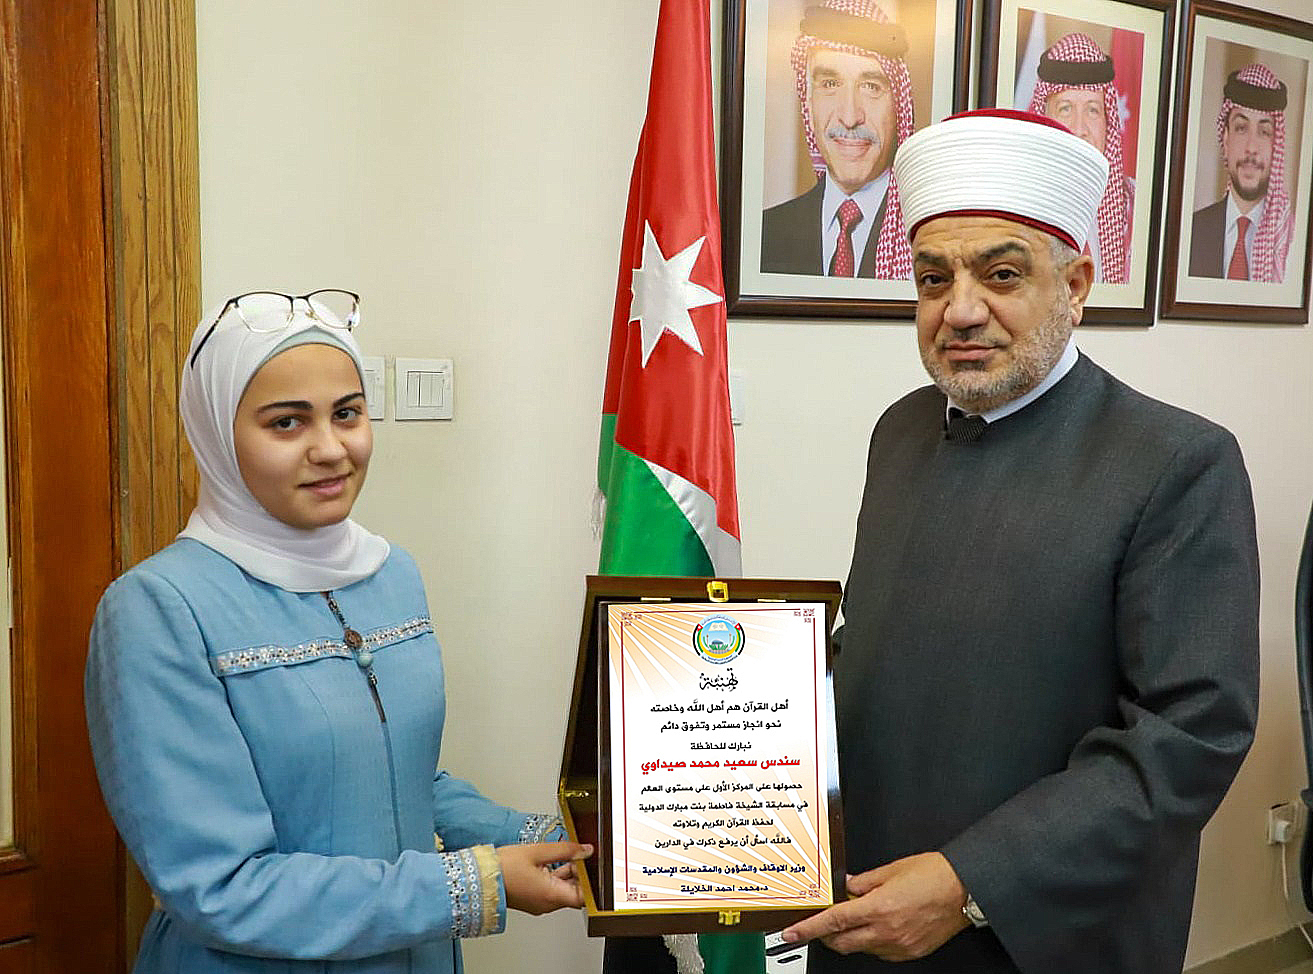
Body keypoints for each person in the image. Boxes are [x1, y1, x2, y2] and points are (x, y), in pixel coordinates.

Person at [780, 110, 1259, 972]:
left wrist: (970, 882)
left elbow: (1191, 736)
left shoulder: (1177, 460)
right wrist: (732, 718)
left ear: (1074, 285)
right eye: (933, 280)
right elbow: (878, 644)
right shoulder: (901, 429)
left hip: (1043, 928)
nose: (960, 311)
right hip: (865, 904)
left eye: (1001, 274)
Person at [85, 291, 590, 973]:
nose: (330, 449)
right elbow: (218, 888)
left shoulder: (390, 573)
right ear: (217, 436)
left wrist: (560, 837)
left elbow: (397, 780)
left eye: (347, 413)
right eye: (286, 422)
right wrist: (474, 885)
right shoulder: (160, 608)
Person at [760, 0, 914, 279]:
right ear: (808, 102)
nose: (850, 117)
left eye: (871, 87)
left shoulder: (923, 236)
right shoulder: (766, 235)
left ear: (898, 107)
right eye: (830, 84)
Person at [1027, 32, 1133, 284]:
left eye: (1093, 110)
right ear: (1043, 119)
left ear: (1108, 122)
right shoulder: (1021, 202)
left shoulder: (1133, 206)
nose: (1079, 129)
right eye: (1065, 109)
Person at [1189, 62, 1295, 282]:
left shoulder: (1291, 242)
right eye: (1241, 128)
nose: (1251, 147)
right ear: (1226, 139)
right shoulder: (1192, 231)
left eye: (1264, 132)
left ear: (1276, 146)